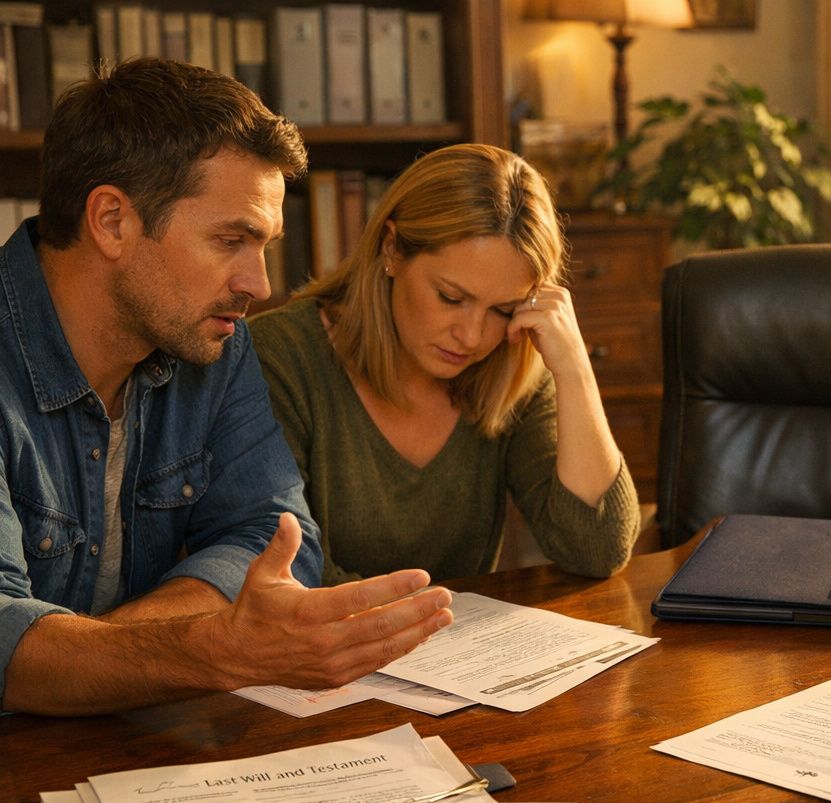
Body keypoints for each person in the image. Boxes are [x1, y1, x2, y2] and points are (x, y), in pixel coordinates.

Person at [0, 58, 454, 717]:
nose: (259, 285)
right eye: (231, 239)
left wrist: (97, 655)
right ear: (112, 220)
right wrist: (211, 651)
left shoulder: (213, 340)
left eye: (264, 245)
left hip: (122, 752)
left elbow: (274, 535)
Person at [248, 144, 639, 584]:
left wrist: (574, 371)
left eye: (504, 310)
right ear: (391, 249)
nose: (472, 337)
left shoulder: (515, 363)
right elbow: (287, 569)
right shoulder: (282, 355)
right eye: (452, 298)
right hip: (335, 648)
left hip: (462, 645)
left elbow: (598, 550)